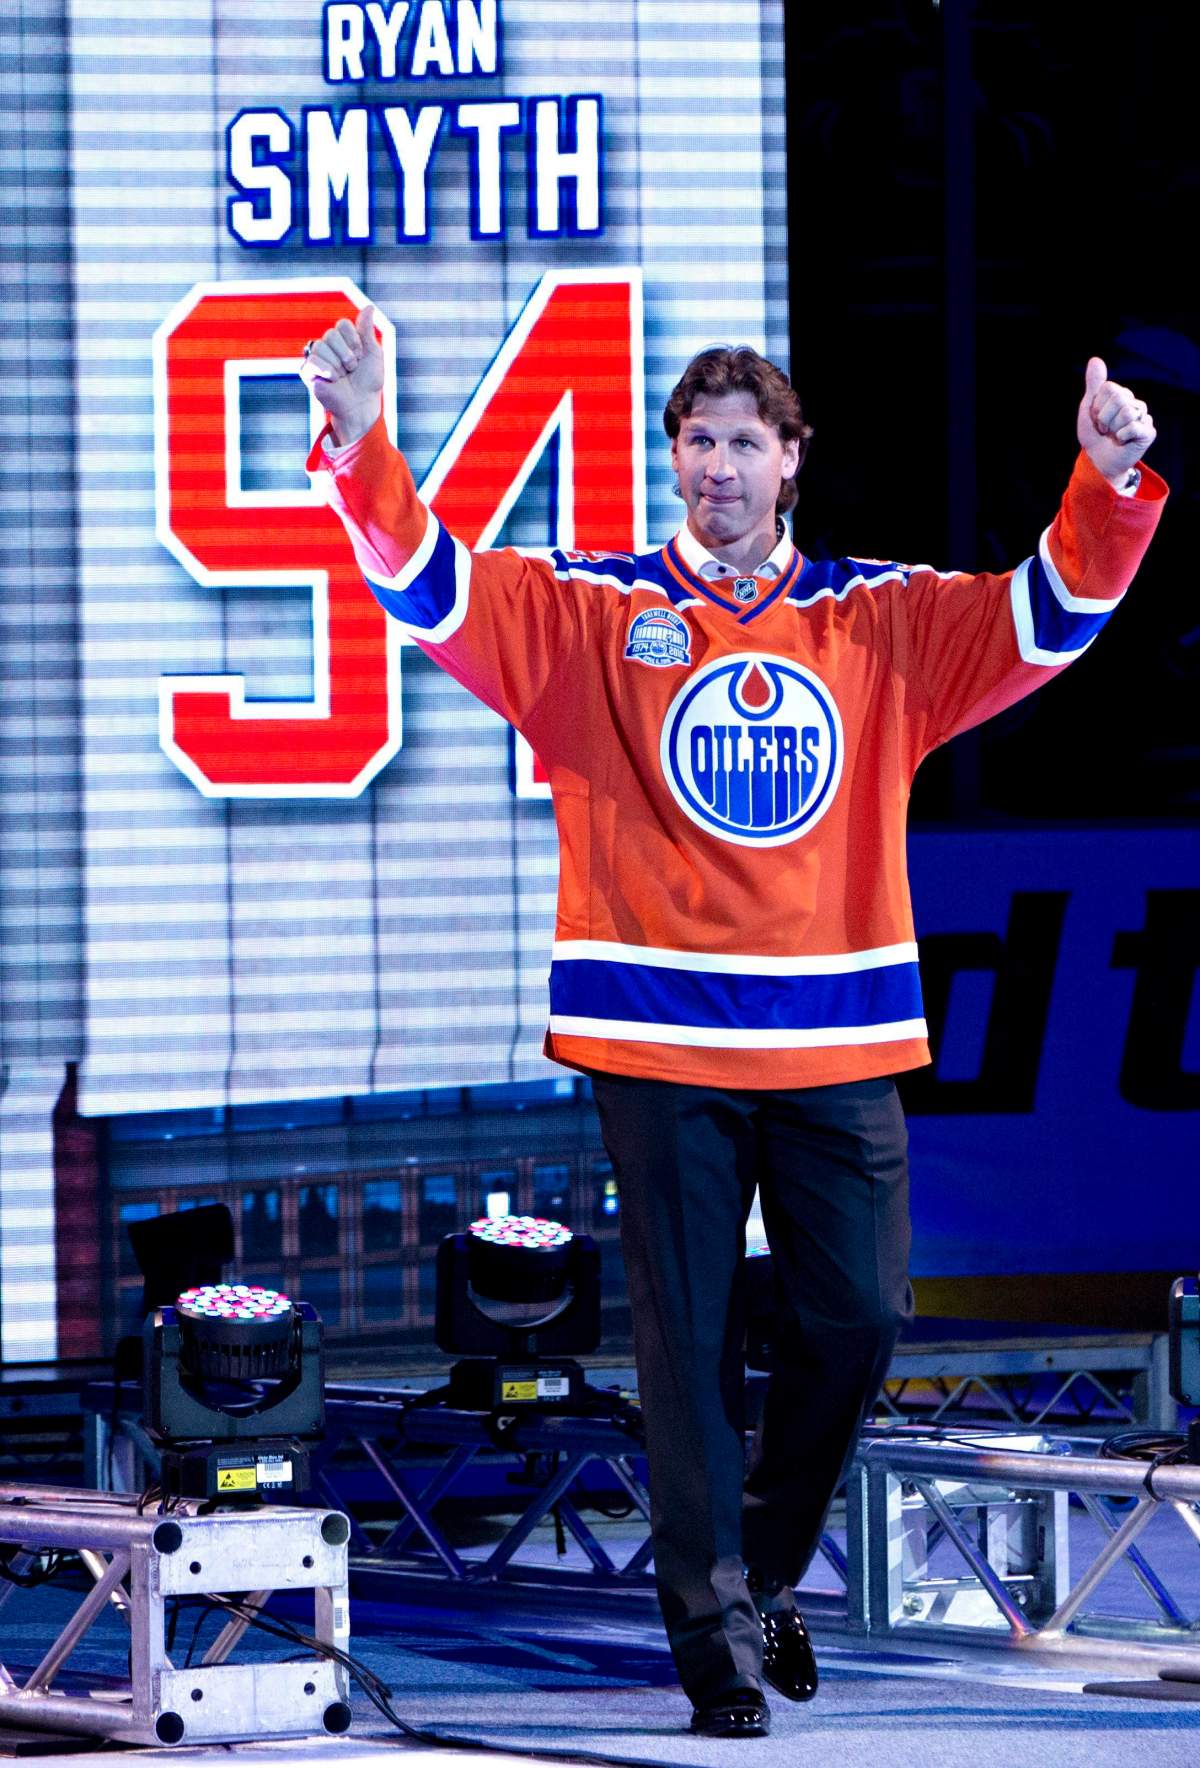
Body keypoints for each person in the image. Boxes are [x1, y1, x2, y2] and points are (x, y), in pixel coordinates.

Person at [301, 311, 1163, 1736]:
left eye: (745, 442)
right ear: (674, 459)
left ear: (792, 461)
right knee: (688, 1350)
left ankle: (757, 1565)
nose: (718, 465)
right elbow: (433, 586)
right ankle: (713, 1644)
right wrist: (361, 439)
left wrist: (1106, 483)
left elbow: (1046, 616)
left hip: (836, 1040)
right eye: (697, 440)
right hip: (657, 1040)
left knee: (860, 1317)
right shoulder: (598, 610)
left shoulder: (877, 618)